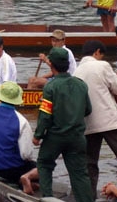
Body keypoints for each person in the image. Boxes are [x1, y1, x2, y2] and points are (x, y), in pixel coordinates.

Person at [33, 47, 94, 202]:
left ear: (51, 65)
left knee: (44, 164)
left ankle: (47, 198)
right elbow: (88, 110)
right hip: (77, 137)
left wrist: (38, 135)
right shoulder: (81, 85)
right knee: (80, 173)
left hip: (56, 136)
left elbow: (45, 115)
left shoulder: (50, 87)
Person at [73, 40, 117, 194]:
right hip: (108, 121)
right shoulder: (102, 65)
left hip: (88, 123)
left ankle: (88, 195)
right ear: (97, 52)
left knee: (90, 163)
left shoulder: (76, 72)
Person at [0, 81, 38, 192]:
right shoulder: (22, 121)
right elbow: (26, 154)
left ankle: (21, 182)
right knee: (45, 167)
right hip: (10, 170)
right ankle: (25, 178)